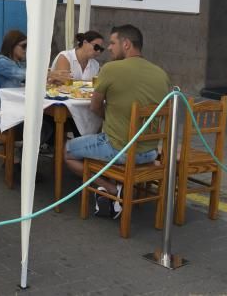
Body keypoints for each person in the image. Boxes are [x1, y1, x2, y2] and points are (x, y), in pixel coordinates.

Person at [64, 24, 171, 219]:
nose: (110, 48)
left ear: (127, 44)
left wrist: (111, 117)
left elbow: (95, 107)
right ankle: (116, 184)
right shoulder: (161, 74)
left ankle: (110, 189)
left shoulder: (111, 68)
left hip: (119, 149)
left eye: (113, 43)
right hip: (149, 152)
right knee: (101, 142)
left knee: (67, 151)